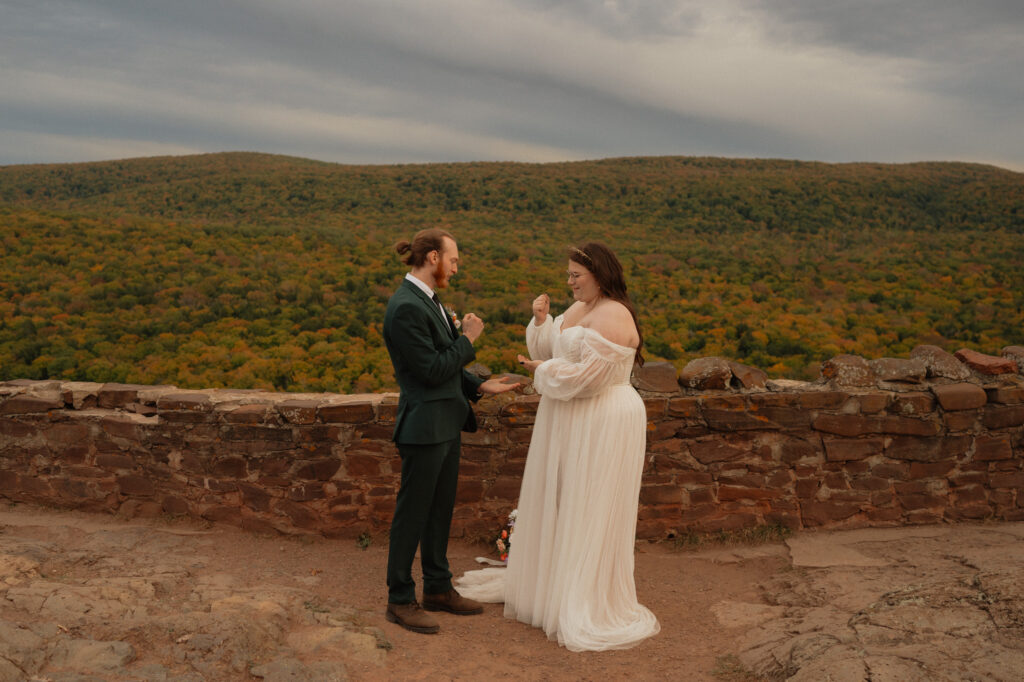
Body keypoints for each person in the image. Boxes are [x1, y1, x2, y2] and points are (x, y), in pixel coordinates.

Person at [457, 241, 660, 652]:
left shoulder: (616, 315)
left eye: (575, 276)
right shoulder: (580, 309)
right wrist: (542, 322)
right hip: (572, 415)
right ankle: (555, 585)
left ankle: (583, 595)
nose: (569, 282)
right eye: (568, 274)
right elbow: (554, 349)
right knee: (565, 498)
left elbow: (590, 378)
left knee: (590, 502)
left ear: (599, 275)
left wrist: (543, 371)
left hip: (602, 417)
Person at [382, 227, 519, 635]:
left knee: (439, 512)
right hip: (423, 427)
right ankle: (400, 599)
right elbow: (430, 370)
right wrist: (469, 339)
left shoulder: (429, 299)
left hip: (445, 423)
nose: (456, 268)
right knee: (412, 516)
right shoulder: (406, 306)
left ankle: (438, 589)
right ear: (432, 258)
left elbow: (444, 369)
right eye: (453, 260)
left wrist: (478, 385)